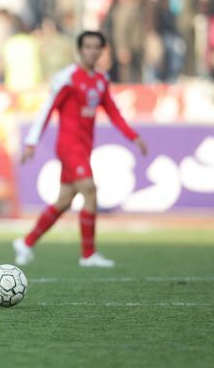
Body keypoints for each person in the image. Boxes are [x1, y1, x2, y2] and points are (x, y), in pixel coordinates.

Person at [13, 31, 147, 268]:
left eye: (97, 47)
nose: (92, 51)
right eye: (88, 47)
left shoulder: (101, 80)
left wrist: (133, 136)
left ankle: (26, 242)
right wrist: (31, 142)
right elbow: (47, 109)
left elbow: (113, 112)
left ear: (102, 51)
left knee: (64, 200)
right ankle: (88, 255)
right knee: (90, 190)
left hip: (84, 147)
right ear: (79, 50)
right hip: (69, 146)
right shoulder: (67, 78)